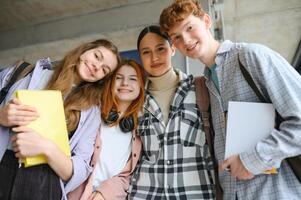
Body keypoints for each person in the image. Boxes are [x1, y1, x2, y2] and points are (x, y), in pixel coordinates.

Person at [159, 0, 301, 199]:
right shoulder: (206, 83)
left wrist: (252, 160)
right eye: (177, 37)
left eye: (190, 28)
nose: (186, 40)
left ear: (206, 21)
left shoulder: (251, 57)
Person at [0, 39, 121, 200]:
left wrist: (48, 149)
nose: (97, 67)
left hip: (44, 183)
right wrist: (1, 115)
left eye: (104, 70)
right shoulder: (23, 74)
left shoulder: (92, 111)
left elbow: (83, 166)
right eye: (97, 56)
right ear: (84, 50)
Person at [129, 25, 215, 199]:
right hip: (146, 194)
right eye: (146, 52)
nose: (154, 57)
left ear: (173, 49)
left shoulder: (201, 89)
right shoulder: (134, 101)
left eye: (160, 49)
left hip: (195, 193)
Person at [68, 59, 144, 200]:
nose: (125, 83)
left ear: (141, 87)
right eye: (119, 78)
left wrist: (104, 194)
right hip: (74, 193)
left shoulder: (140, 129)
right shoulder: (91, 113)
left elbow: (126, 176)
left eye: (133, 79)